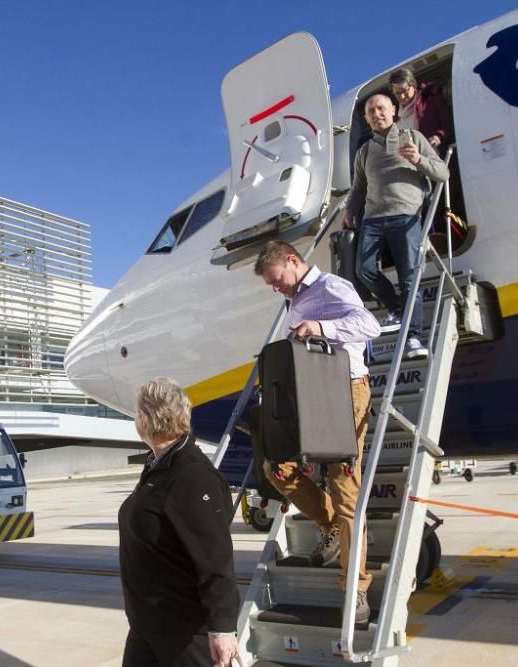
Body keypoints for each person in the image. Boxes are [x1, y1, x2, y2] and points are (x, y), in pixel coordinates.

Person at [253, 241, 381, 625]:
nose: (279, 290)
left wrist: (320, 326)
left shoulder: (332, 287)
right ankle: (331, 527)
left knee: (345, 488)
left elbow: (369, 326)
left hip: (345, 390)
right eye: (274, 287)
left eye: (280, 282)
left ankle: (355, 588)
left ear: (293, 261)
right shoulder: (294, 299)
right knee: (277, 468)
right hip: (310, 392)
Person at [118, 377, 240, 667]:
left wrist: (222, 627)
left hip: (183, 636)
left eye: (137, 413)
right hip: (147, 626)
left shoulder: (193, 475)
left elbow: (216, 557)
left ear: (145, 421)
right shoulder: (159, 465)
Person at [344, 93, 449, 360]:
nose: (376, 113)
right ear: (366, 119)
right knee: (363, 271)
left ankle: (414, 337)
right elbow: (358, 187)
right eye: (370, 111)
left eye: (381, 108)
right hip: (373, 218)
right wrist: (348, 210)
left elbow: (442, 173)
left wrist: (418, 160)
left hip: (406, 215)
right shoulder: (365, 151)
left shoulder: (413, 138)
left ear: (393, 111)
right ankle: (397, 310)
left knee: (409, 277)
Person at [388, 67, 453, 152]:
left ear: (413, 85)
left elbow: (447, 123)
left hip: (435, 155)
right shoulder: (395, 114)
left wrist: (438, 136)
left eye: (405, 91)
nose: (402, 96)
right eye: (397, 93)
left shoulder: (430, 98)